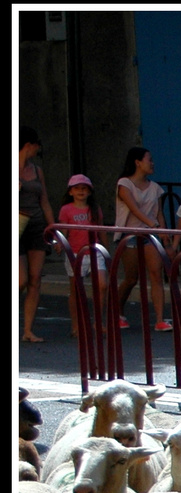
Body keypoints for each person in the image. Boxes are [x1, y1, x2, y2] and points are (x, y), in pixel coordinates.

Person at [114, 145, 170, 332]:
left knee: (156, 274)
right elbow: (134, 209)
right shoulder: (124, 184)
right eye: (149, 159)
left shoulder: (155, 188)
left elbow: (159, 213)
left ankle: (160, 319)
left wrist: (161, 230)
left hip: (149, 235)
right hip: (128, 235)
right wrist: (154, 225)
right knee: (131, 278)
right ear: (137, 162)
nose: (152, 163)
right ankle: (116, 310)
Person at [19, 126, 57, 343]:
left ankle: (28, 330)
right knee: (21, 280)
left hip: (36, 225)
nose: (37, 150)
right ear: (29, 145)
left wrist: (53, 228)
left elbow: (44, 201)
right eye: (36, 146)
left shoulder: (37, 170)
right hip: (17, 225)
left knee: (35, 278)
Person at [57, 174, 99, 344]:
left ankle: (98, 322)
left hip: (94, 250)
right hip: (74, 252)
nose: (81, 191)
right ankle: (76, 326)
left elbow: (100, 229)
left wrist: (105, 247)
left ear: (89, 191)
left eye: (84, 188)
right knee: (75, 289)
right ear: (70, 192)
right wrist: (61, 243)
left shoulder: (95, 209)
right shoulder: (66, 209)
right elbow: (64, 229)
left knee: (101, 285)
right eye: (77, 188)